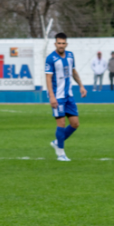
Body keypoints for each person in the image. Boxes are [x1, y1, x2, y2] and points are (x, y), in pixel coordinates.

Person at [46, 32, 87, 162]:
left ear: (66, 44)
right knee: (61, 123)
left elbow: (73, 71)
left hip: (69, 95)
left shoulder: (70, 55)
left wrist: (81, 85)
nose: (61, 45)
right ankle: (61, 154)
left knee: (75, 124)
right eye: (59, 43)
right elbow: (48, 78)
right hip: (57, 96)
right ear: (55, 44)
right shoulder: (50, 58)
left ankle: (57, 142)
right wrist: (52, 97)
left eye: (63, 43)